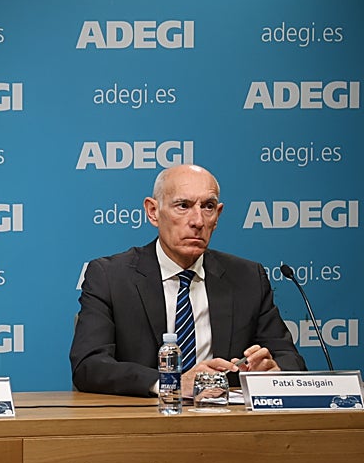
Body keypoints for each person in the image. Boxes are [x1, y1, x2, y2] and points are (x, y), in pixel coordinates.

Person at [70, 164, 304, 397]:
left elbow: (290, 359)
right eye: (183, 206)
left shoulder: (248, 277)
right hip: (144, 415)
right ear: (153, 211)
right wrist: (172, 383)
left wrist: (273, 370)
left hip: (226, 415)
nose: (198, 221)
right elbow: (89, 365)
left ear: (217, 216)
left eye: (208, 207)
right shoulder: (110, 277)